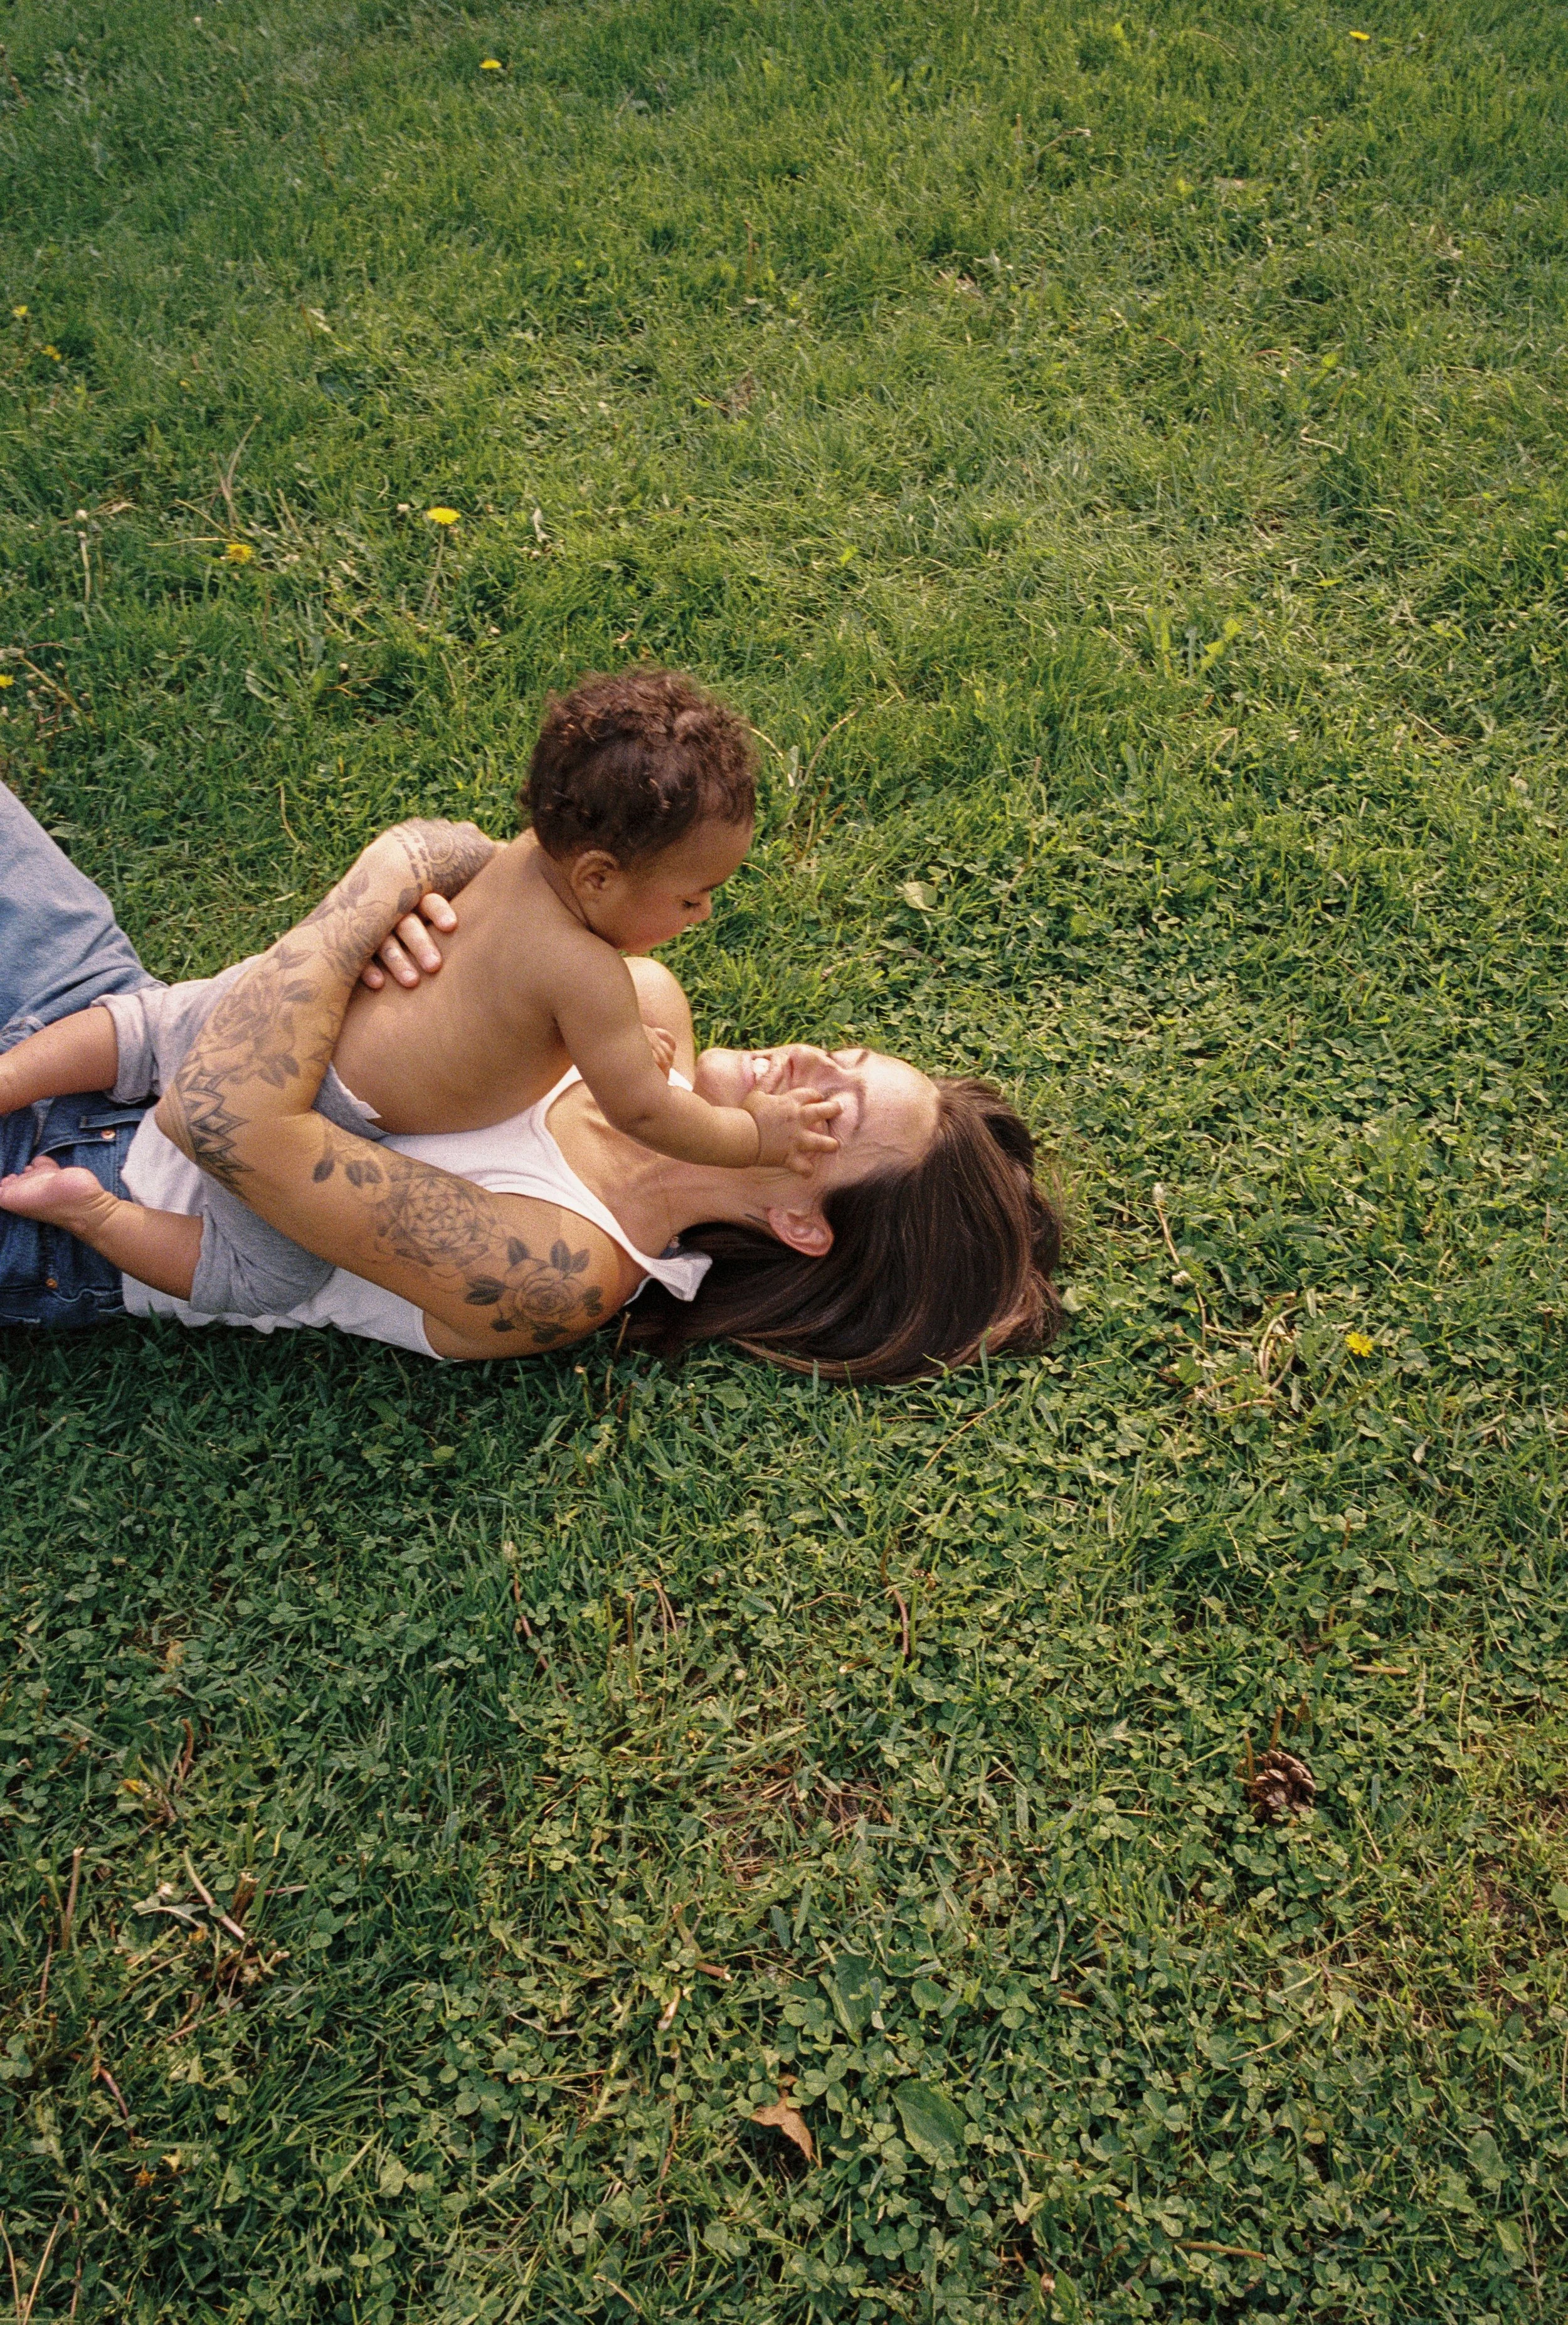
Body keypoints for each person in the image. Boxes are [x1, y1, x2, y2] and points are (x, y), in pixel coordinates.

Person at [0, 787, 1063, 1382]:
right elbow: (513, 871)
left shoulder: (557, 1271)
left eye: (835, 1108)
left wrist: (389, 871)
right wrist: (409, 930)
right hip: (107, 1008)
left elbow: (225, 1117)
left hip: (65, 1197)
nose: (809, 1064)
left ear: (799, 1222)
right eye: (847, 1052)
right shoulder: (645, 1011)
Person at [0, 669, 840, 1321]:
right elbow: (648, 1112)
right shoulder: (589, 975)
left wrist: (394, 873)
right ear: (596, 874)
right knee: (260, 1278)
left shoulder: (514, 860)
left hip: (267, 1019)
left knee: (152, 1027)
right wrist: (751, 1134)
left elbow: (428, 855)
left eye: (831, 1123)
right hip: (310, 1096)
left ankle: (14, 1081)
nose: (703, 913)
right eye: (693, 896)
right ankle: (92, 1214)